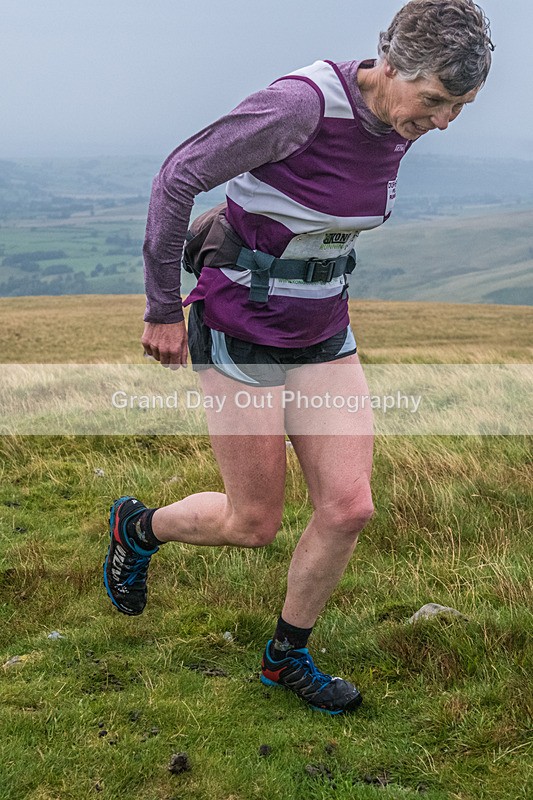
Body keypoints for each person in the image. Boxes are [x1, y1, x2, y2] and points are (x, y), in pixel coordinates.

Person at [104, 0, 493, 715]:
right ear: (392, 66)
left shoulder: (399, 122)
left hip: (323, 331)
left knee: (347, 507)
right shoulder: (298, 105)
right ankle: (137, 526)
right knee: (251, 523)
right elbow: (178, 177)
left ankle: (285, 659)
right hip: (237, 327)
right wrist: (162, 306)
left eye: (459, 107)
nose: (441, 122)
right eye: (435, 100)